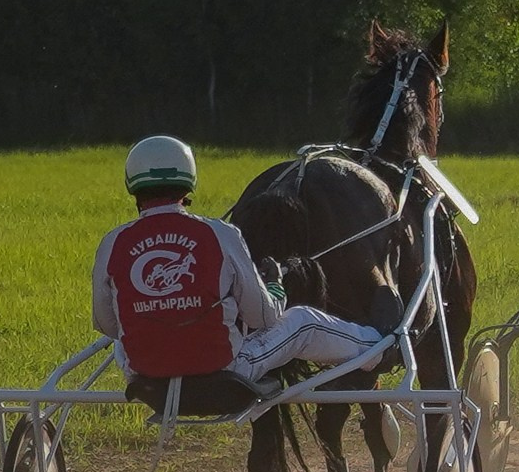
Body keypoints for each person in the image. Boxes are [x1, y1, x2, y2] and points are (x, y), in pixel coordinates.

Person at [92, 136, 389, 389]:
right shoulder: (221, 234)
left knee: (127, 332)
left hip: (142, 375)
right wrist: (274, 284)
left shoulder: (112, 242)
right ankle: (378, 347)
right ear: (188, 183)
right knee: (301, 321)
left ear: (132, 183)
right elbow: (264, 317)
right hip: (224, 371)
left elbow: (107, 324)